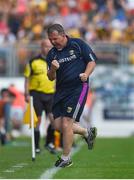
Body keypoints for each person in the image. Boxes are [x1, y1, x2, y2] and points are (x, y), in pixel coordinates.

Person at [46, 24, 97, 167]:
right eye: (50, 40)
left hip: (78, 88)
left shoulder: (78, 44)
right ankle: (86, 133)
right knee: (57, 125)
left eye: (55, 38)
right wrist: (53, 69)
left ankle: (66, 158)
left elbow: (92, 62)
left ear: (63, 35)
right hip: (61, 91)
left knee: (67, 122)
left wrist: (86, 74)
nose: (53, 42)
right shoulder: (51, 54)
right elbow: (50, 77)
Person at [24, 39, 56, 154]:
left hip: (51, 94)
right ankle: (36, 146)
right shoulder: (33, 61)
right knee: (38, 120)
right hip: (36, 94)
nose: (48, 48)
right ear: (41, 47)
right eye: (45, 46)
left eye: (49, 46)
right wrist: (26, 93)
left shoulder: (54, 61)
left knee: (53, 120)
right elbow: (27, 78)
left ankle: (49, 142)